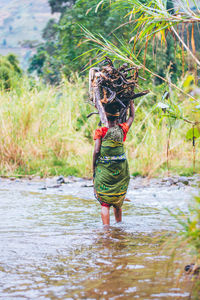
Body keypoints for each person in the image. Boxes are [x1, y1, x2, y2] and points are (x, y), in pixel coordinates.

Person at [93, 101, 135, 225]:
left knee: (105, 204)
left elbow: (96, 151)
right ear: (117, 117)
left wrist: (94, 168)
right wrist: (131, 102)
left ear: (105, 116)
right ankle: (119, 226)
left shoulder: (101, 131)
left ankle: (106, 231)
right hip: (121, 170)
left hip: (105, 171)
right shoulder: (122, 129)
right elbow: (132, 117)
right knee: (117, 200)